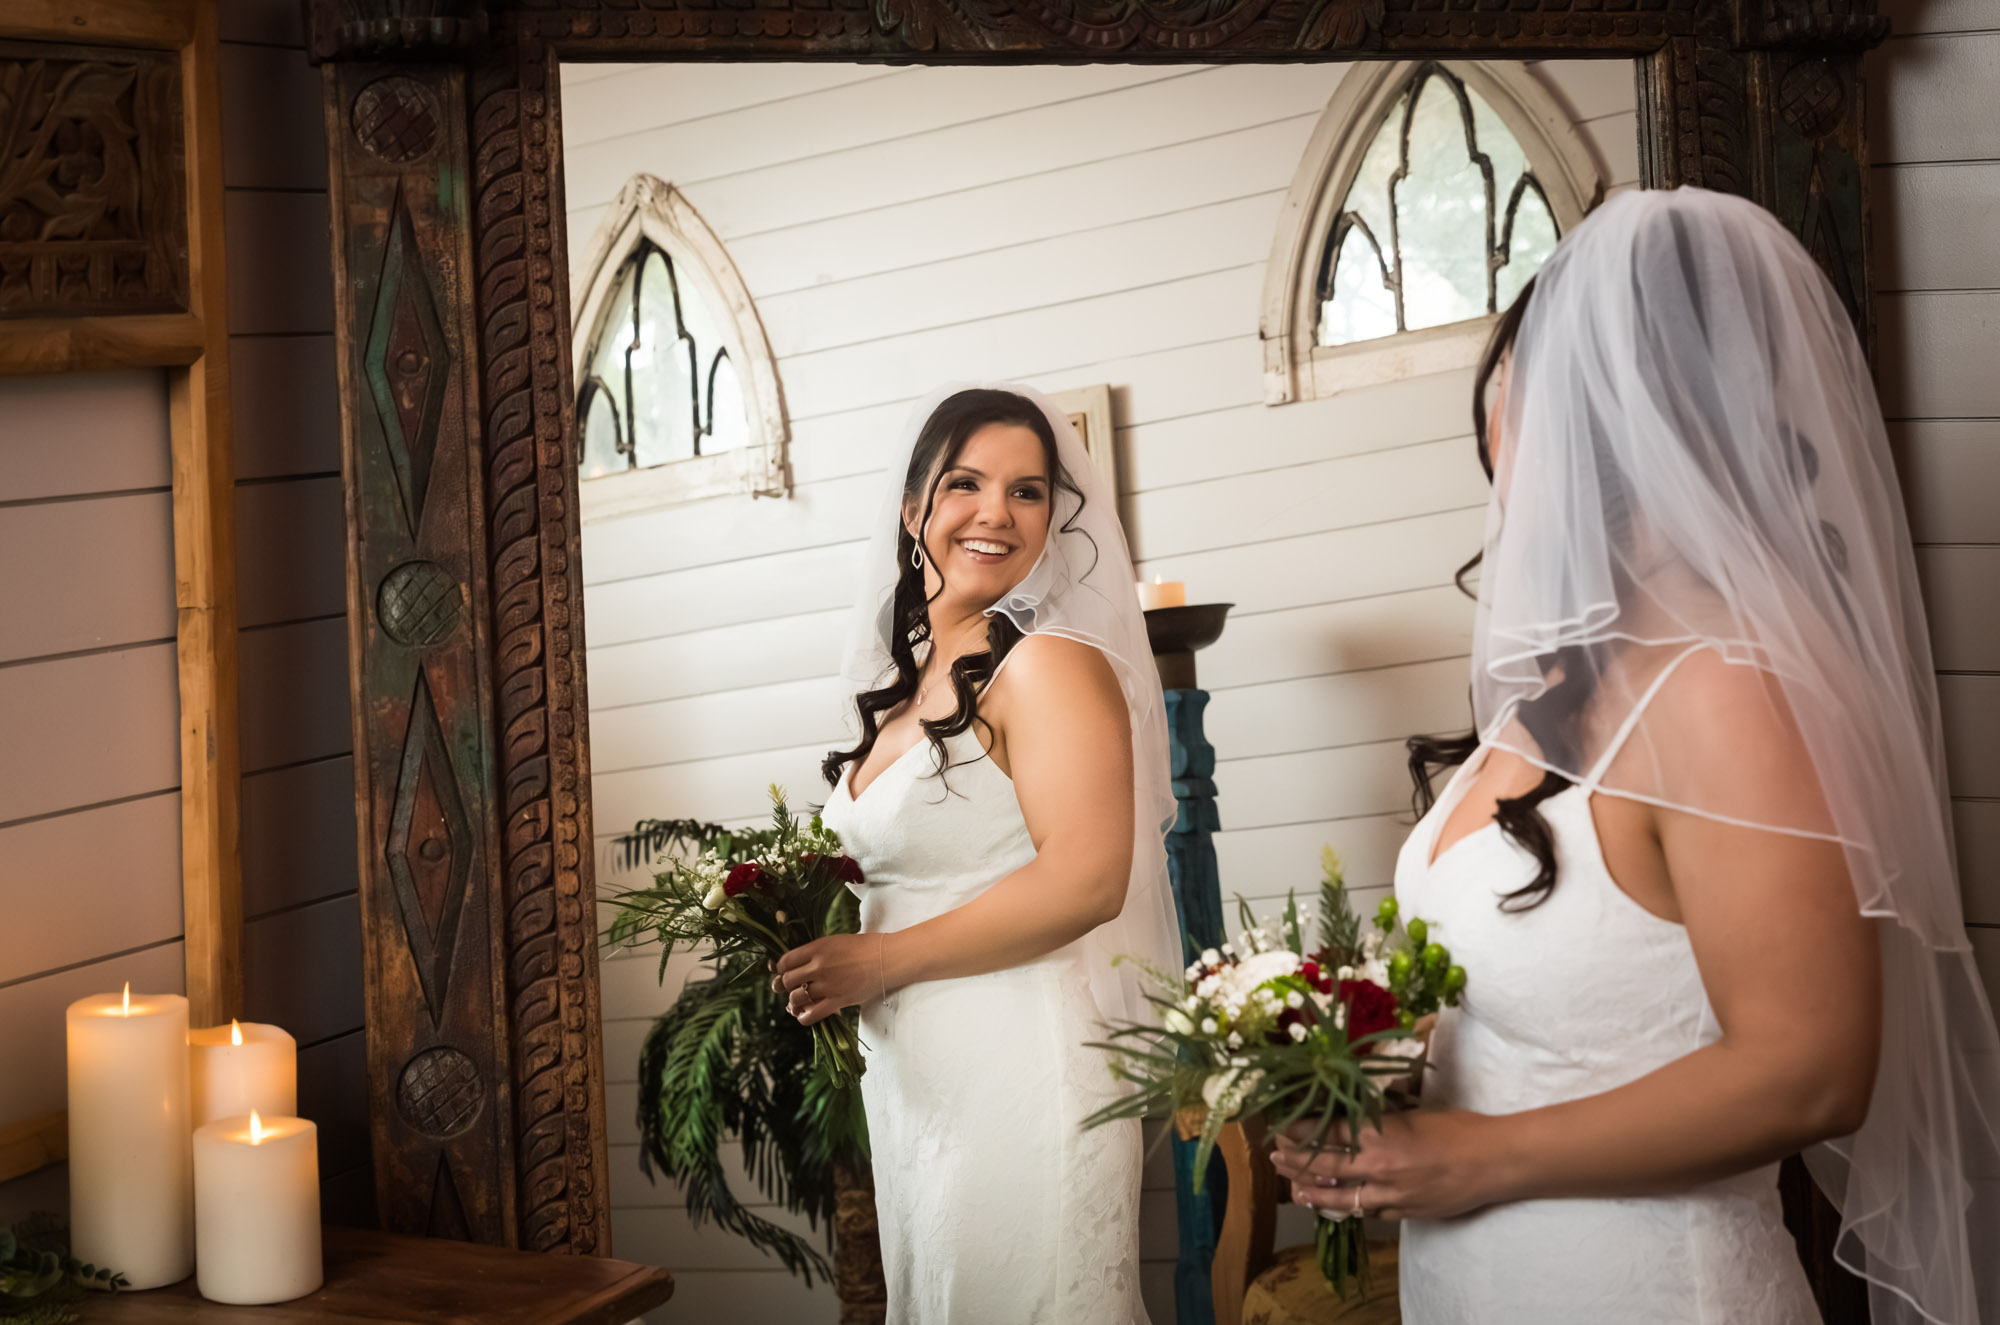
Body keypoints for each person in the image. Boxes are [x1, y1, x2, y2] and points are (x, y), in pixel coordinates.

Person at [1272, 188, 2000, 1324]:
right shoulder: (1552, 682)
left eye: (1530, 394)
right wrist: (1351, 1071)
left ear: (1645, 418)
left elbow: (1811, 1066)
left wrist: (1471, 1156)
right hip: (1476, 1283)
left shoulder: (1725, 690)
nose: (1496, 431)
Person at [773, 385, 1180, 1324]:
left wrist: (873, 960)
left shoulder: (1051, 665)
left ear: (1051, 520)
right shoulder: (900, 690)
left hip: (1022, 1060)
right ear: (914, 509)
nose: (997, 512)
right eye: (967, 483)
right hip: (919, 1078)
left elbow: (1087, 879)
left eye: (1028, 492)